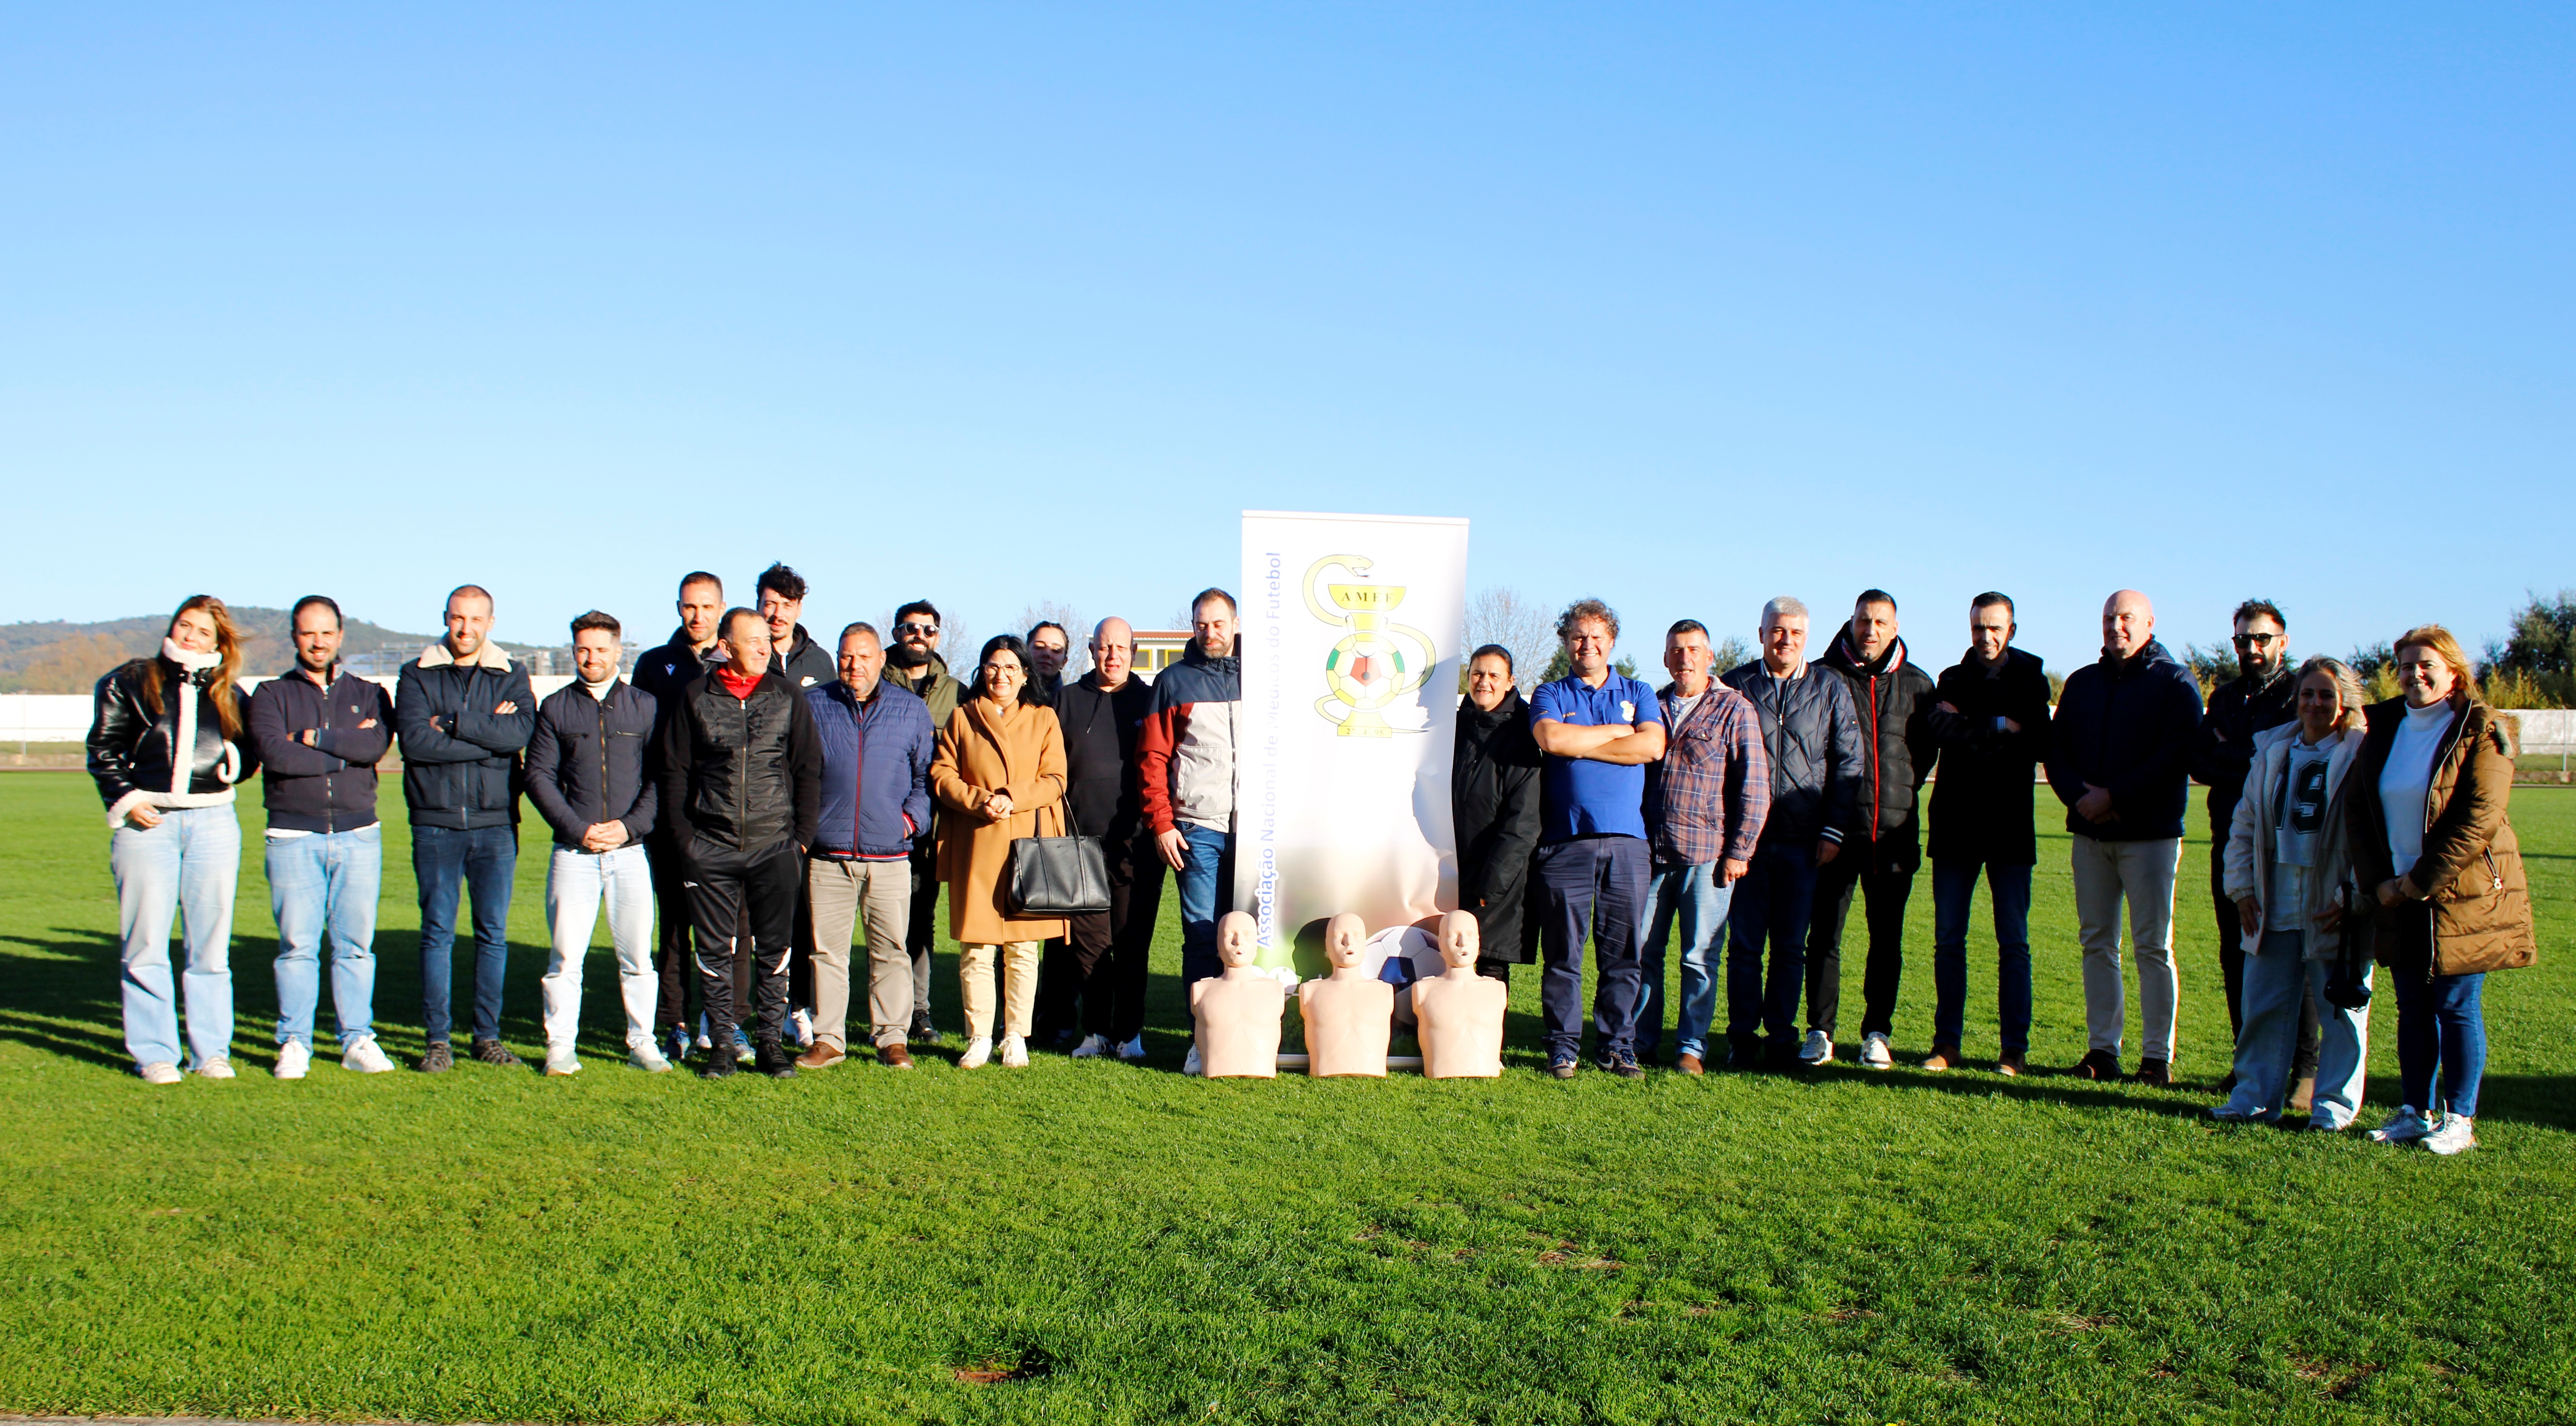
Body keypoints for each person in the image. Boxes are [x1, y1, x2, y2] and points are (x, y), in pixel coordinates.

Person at [2346, 626, 2536, 1155]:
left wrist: (2417, 882)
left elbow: (2480, 818)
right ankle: (2414, 1110)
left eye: (2427, 664)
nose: (2416, 675)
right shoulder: (2384, 727)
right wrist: (2379, 882)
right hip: (2397, 892)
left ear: (2453, 669)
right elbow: (2357, 807)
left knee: (2455, 1004)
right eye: (2406, 666)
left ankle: (2461, 1119)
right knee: (2411, 1005)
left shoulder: (2482, 727)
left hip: (2458, 893)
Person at [87, 595, 259, 1084]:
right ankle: (155, 1052)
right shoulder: (130, 680)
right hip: (148, 826)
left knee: (210, 946)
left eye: (203, 632)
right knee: (145, 943)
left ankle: (211, 1052)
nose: (191, 637)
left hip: (213, 825)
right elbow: (103, 748)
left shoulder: (231, 692)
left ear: (218, 641)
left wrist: (236, 762)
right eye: (185, 626)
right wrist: (125, 798)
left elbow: (250, 752)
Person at [2044, 589, 2204, 1085]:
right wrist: (2082, 798)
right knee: (2097, 943)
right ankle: (2102, 1051)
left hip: (2150, 836)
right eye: (2111, 617)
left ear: (2150, 622)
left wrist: (2114, 796)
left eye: (2127, 617)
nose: (2118, 626)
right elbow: (2057, 750)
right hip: (2090, 835)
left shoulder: (2174, 682)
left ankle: (2157, 1058)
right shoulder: (2083, 683)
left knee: (2153, 946)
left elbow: (2175, 755)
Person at [658, 607, 823, 1078]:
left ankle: (771, 1043)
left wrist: (801, 840)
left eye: (765, 641)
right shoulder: (696, 697)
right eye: (751, 641)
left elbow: (808, 770)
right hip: (711, 847)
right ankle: (723, 1043)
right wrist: (687, 840)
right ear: (726, 647)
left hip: (776, 845)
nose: (762, 649)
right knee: (715, 953)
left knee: (775, 951)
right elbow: (675, 774)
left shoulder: (788, 696)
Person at [2215, 657, 2370, 1126]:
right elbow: (2243, 824)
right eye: (2308, 694)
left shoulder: (2361, 752)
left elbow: (2373, 832)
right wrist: (2241, 888)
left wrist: (2355, 895)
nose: (2316, 703)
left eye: (2326, 694)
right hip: (2275, 890)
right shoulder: (2274, 751)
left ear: (2344, 701)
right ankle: (2254, 1098)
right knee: (2262, 1003)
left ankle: (2334, 1107)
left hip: (2331, 896)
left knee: (2340, 1007)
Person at [246, 595, 396, 1079]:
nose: (318, 642)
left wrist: (311, 738)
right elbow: (276, 756)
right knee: (297, 946)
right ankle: (294, 1041)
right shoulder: (270, 695)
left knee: (355, 944)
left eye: (327, 632)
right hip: (293, 835)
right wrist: (346, 752)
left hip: (358, 833)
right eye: (309, 633)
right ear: (295, 636)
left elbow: (375, 744)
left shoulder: (371, 692)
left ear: (340, 636)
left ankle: (357, 1039)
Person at [396, 584, 536, 1073]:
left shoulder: (512, 673)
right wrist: (485, 733)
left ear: (491, 623)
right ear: (445, 617)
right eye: (458, 618)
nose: (466, 628)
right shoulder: (415, 673)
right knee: (437, 933)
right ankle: (438, 1040)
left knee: (492, 934)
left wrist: (453, 723)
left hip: (496, 822)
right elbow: (415, 744)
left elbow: (519, 734)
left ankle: (487, 1037)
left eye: (476, 619)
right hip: (435, 824)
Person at [1719, 597, 1862, 1070]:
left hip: (1806, 843)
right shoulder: (1737, 685)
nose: (1786, 640)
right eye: (1778, 631)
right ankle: (1742, 1035)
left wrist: (1833, 830)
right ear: (1761, 633)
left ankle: (1781, 1034)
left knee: (1789, 947)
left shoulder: (1830, 687)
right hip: (1747, 844)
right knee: (1743, 948)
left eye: (1796, 634)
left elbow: (1849, 761)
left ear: (1807, 638)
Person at [1529, 598, 1667, 1080]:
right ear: (1567, 641)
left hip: (1628, 843)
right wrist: (1615, 735)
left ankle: (1617, 1046)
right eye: (1577, 636)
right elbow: (1552, 740)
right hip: (1566, 842)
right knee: (1564, 953)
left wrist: (1582, 739)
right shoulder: (1549, 691)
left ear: (1612, 641)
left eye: (1596, 636)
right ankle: (1563, 1046)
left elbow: (1651, 745)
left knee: (1623, 954)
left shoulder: (1639, 690)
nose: (1587, 644)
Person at [525, 610, 664, 1077]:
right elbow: (539, 776)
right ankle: (561, 1047)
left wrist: (629, 827)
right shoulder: (556, 708)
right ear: (574, 651)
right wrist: (576, 828)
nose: (592, 658)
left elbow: (659, 777)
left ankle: (642, 1043)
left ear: (618, 650)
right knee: (565, 958)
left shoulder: (644, 706)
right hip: (574, 854)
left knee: (639, 958)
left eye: (601, 649)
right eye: (583, 649)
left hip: (629, 853)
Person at [1922, 593, 2053, 1074]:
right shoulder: (1951, 679)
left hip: (2009, 828)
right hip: (1955, 826)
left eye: (1995, 627)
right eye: (1979, 627)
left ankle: (2012, 1047)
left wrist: (1976, 722)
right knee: (1948, 940)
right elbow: (1940, 728)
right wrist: (2002, 726)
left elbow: (2039, 739)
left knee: (2013, 941)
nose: (1986, 636)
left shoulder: (2031, 678)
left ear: (2012, 630)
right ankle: (1946, 1042)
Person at [1806, 590, 1937, 1069]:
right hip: (1833, 831)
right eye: (1864, 620)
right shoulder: (1823, 676)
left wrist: (1896, 793)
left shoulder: (1919, 684)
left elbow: (1921, 758)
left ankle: (1877, 1032)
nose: (1871, 630)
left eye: (1881, 622)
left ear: (1894, 628)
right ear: (1852, 621)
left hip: (1893, 835)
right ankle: (1820, 1030)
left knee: (1887, 939)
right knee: (1824, 936)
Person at [798, 622, 936, 1071]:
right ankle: (828, 1039)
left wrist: (909, 822)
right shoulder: (815, 705)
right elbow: (795, 773)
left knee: (891, 950)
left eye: (862, 656)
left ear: (881, 659)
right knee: (827, 952)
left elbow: (925, 779)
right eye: (845, 656)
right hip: (828, 854)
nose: (853, 665)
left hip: (890, 855)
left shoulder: (910, 710)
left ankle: (892, 1038)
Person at [930, 634, 1070, 1069]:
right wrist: (978, 800)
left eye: (1011, 668)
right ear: (981, 671)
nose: (1001, 676)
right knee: (977, 948)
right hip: (978, 843)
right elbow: (941, 773)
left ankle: (1016, 1035)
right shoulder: (962, 717)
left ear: (1025, 674)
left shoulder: (1044, 717)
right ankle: (978, 1036)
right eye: (993, 666)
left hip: (1027, 842)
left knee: (1023, 949)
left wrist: (1012, 796)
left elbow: (1056, 779)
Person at [1637, 622, 1768, 1074]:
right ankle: (1641, 1039)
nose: (1684, 658)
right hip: (1652, 853)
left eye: (1693, 649)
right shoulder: (1650, 707)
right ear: (1667, 657)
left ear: (1709, 657)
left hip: (1708, 856)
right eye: (1676, 650)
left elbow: (1754, 785)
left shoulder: (1735, 709)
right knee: (1642, 952)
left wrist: (1740, 850)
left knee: (1699, 957)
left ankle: (1691, 1047)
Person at [2193, 599, 2310, 1099]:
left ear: (2283, 642)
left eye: (2263, 638)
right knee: (2235, 951)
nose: (2253, 648)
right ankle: (2250, 1059)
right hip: (2230, 841)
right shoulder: (2224, 697)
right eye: (2245, 639)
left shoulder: (2298, 694)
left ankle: (2305, 1068)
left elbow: (2281, 763)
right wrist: (2241, 754)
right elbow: (2200, 762)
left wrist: (2232, 752)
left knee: (2293, 955)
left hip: (2284, 845)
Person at [1042, 617, 1160, 1062]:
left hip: (1137, 846)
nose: (1113, 655)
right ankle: (1094, 1032)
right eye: (1104, 647)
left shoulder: (1149, 700)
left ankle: (1130, 1034)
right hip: (1077, 846)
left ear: (1133, 651)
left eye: (1121, 648)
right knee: (1088, 946)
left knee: (1132, 943)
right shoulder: (1066, 700)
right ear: (1092, 650)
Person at [1139, 589, 1244, 1077]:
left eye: (1219, 623)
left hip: (1253, 833)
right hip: (1197, 828)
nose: (1211, 632)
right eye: (1203, 624)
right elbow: (1154, 759)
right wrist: (1161, 823)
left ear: (1236, 623)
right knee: (1201, 936)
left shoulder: (1261, 680)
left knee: (1247, 936)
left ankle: (1245, 1032)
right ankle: (1200, 1038)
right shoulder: (1173, 681)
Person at [629, 570, 729, 1066]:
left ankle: (719, 1021)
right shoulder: (654, 664)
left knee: (723, 927)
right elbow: (640, 743)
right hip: (669, 816)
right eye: (690, 606)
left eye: (707, 606)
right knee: (673, 927)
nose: (698, 615)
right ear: (678, 608)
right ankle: (677, 1022)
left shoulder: (733, 661)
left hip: (721, 818)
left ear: (721, 608)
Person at [884, 598, 968, 1043]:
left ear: (938, 636)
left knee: (920, 920)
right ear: (897, 633)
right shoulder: (876, 681)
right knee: (881, 921)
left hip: (932, 828)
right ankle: (881, 1011)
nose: (920, 636)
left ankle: (918, 1010)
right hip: (878, 823)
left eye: (929, 630)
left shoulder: (956, 693)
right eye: (911, 628)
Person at [756, 562, 832, 1050]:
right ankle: (748, 1009)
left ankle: (797, 1008)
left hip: (802, 813)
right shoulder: (741, 654)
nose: (776, 612)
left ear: (799, 607)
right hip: (752, 809)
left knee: (804, 918)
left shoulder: (821, 663)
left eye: (785, 604)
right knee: (754, 921)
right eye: (769, 602)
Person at [1453, 645, 1544, 983]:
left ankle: (1489, 1035)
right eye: (1478, 673)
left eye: (1494, 675)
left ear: (1510, 682)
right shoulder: (1456, 726)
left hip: (1497, 875)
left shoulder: (1522, 735)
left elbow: (1523, 823)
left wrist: (1492, 884)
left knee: (1490, 960)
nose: (1484, 682)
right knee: (1444, 951)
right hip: (1453, 866)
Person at [1026, 620, 1071, 706]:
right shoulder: (1007, 697)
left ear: (1064, 662)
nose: (1047, 654)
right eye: (1039, 647)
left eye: (1056, 650)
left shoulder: (1071, 704)